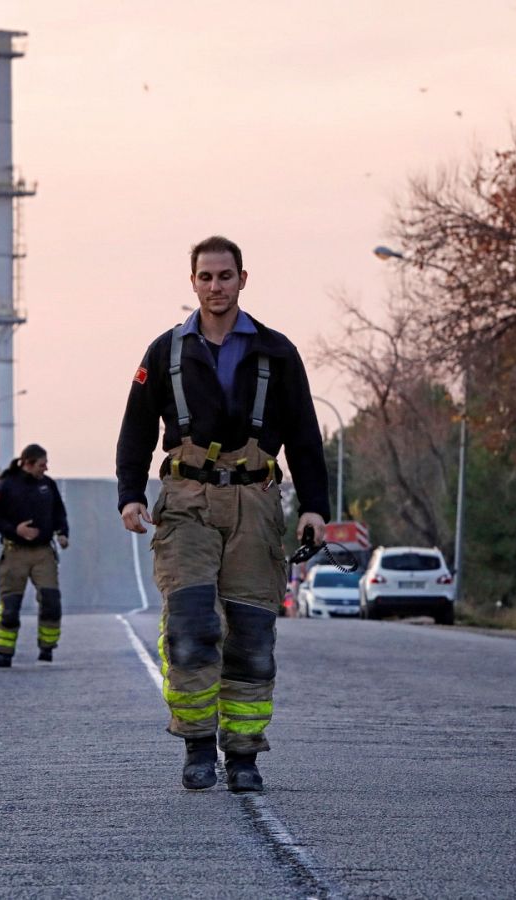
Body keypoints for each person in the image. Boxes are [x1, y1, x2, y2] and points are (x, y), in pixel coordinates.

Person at [116, 235, 330, 793]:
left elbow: (306, 435)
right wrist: (130, 494)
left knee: (250, 635)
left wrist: (314, 509)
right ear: (192, 282)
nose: (216, 286)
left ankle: (242, 756)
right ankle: (195, 747)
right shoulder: (164, 351)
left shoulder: (277, 352)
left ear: (242, 279)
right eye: (206, 277)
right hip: (186, 502)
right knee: (190, 626)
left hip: (257, 503)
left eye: (225, 276)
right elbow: (136, 427)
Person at [0, 443, 70, 668]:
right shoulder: (5, 486)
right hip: (15, 553)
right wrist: (16, 530)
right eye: (42, 464)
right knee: (10, 607)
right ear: (28, 463)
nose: (46, 468)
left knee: (51, 601)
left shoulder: (48, 485)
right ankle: (5, 652)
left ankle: (47, 649)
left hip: (43, 552)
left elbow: (59, 513)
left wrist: (62, 534)